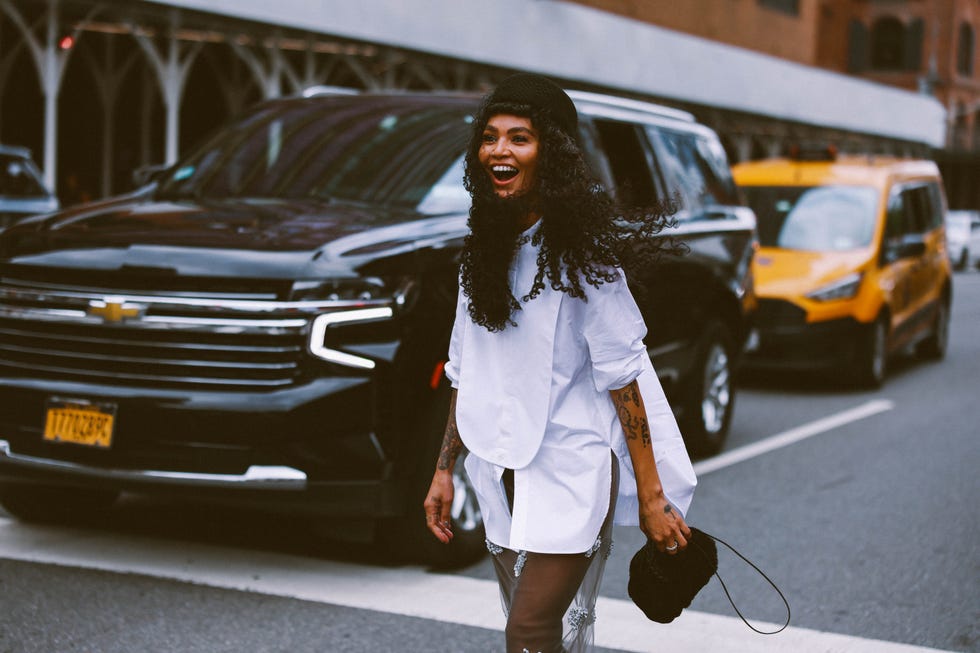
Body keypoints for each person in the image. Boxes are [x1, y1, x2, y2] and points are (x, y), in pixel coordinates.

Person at [423, 73, 698, 653]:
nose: (500, 150)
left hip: (571, 468)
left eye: (520, 138)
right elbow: (464, 370)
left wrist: (652, 499)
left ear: (552, 152)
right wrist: (444, 468)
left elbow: (625, 379)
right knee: (527, 629)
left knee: (528, 629)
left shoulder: (583, 260)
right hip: (501, 467)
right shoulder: (480, 254)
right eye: (491, 137)